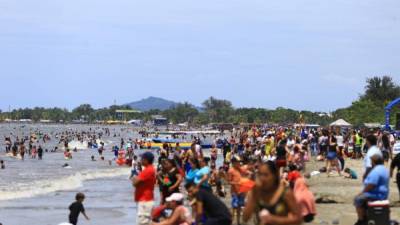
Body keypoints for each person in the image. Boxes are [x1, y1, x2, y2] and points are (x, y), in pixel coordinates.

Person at [243, 161, 302, 225]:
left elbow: (298, 219)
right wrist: (254, 194)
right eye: (260, 174)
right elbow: (245, 218)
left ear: (274, 176)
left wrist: (273, 219)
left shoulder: (285, 193)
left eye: (266, 175)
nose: (262, 178)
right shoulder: (256, 193)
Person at [354, 154, 389, 225]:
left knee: (358, 199)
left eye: (371, 161)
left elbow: (371, 185)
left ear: (374, 161)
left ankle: (361, 220)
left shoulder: (376, 171)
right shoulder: (384, 169)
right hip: (383, 193)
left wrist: (362, 192)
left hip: (376, 194)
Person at [132, 152, 157, 225]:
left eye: (142, 159)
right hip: (145, 199)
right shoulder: (149, 169)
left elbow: (135, 182)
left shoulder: (148, 170)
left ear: (146, 160)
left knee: (143, 222)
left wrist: (135, 179)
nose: (140, 160)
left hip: (145, 200)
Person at [228, 156, 246, 225]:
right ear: (234, 163)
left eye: (239, 162)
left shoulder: (240, 169)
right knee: (234, 207)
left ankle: (238, 222)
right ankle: (232, 222)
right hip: (234, 192)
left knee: (239, 207)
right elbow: (229, 182)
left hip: (241, 191)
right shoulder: (231, 170)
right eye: (238, 162)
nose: (239, 163)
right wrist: (236, 183)